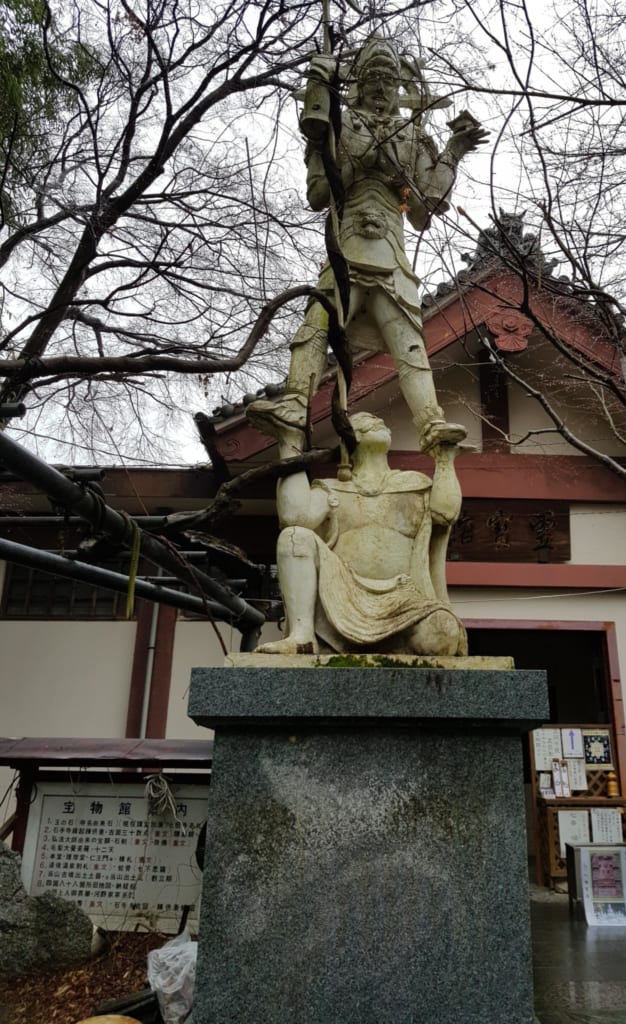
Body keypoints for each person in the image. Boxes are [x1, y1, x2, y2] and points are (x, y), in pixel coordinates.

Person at [246, 35, 488, 458]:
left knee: (410, 340)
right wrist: (334, 146)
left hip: (392, 249)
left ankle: (430, 421)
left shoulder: (412, 134)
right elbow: (319, 194)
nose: (380, 85)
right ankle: (294, 401)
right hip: (348, 241)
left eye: (388, 78)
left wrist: (453, 150)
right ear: (357, 80)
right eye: (372, 75)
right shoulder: (341, 126)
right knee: (317, 323)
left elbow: (425, 209)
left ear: (400, 85)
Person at [255, 411, 467, 657]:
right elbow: (295, 517)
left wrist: (444, 458)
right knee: (294, 536)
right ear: (349, 439)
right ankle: (302, 636)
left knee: (443, 637)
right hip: (340, 594)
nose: (380, 422)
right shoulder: (331, 488)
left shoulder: (415, 484)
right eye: (368, 422)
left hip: (405, 599)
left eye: (381, 421)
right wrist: (289, 442)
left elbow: (446, 513)